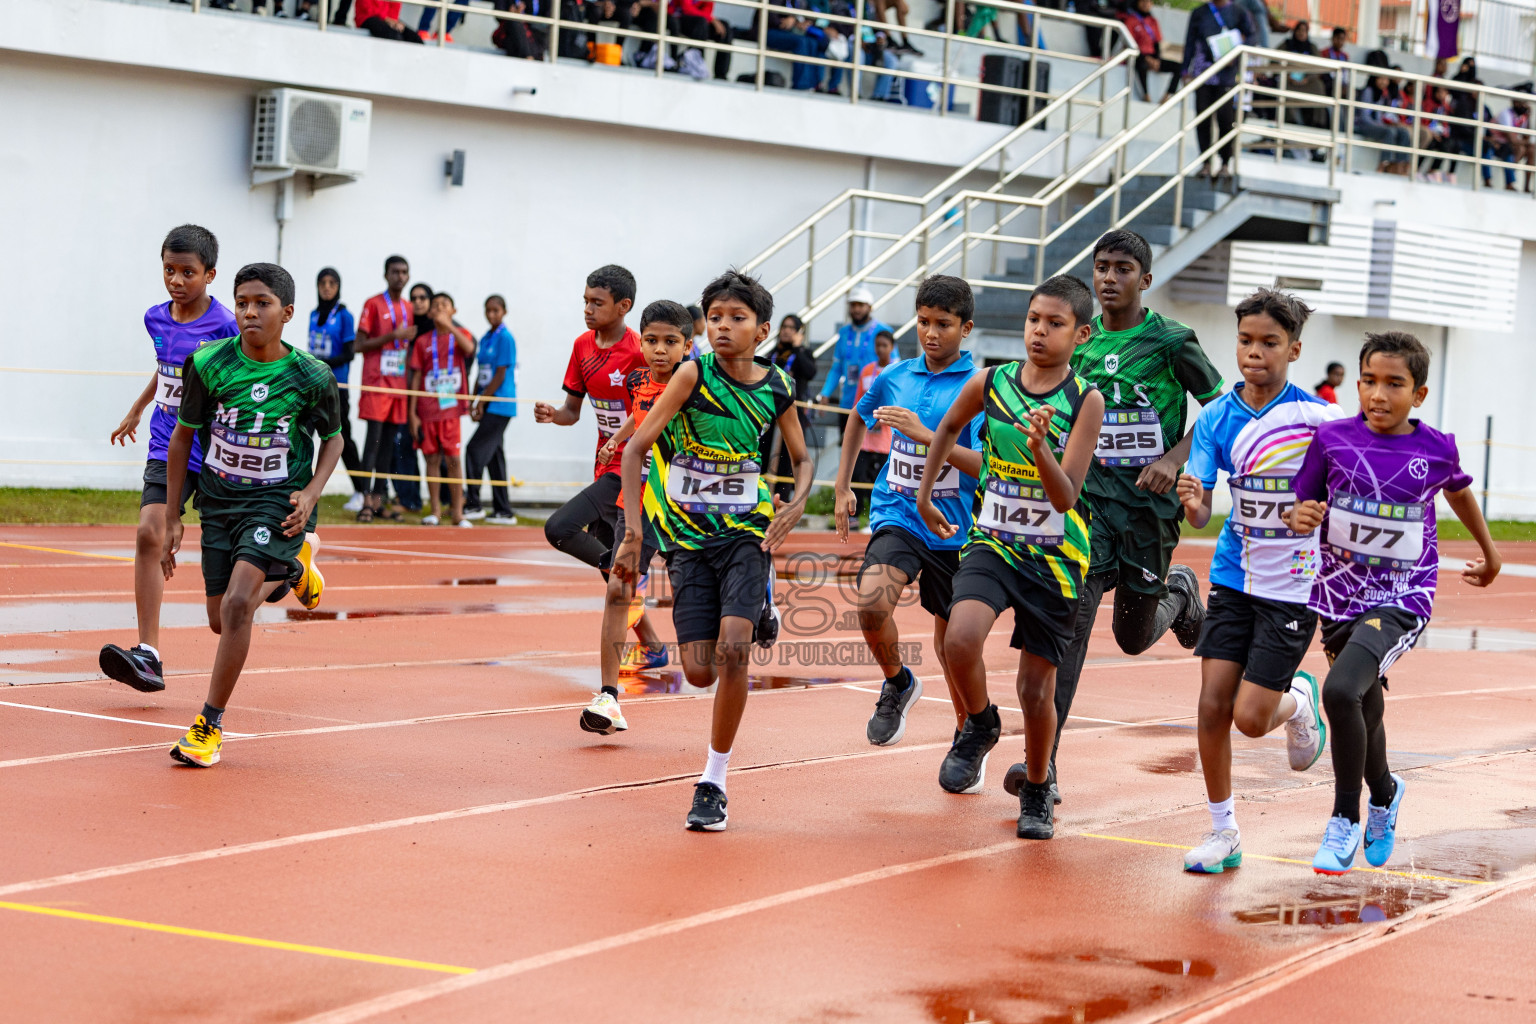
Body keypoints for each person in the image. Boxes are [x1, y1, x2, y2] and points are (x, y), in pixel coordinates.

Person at [1285, 332, 1501, 874]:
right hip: (1336, 594)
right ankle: (1385, 792)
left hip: (1402, 595)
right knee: (1364, 703)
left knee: (1338, 691)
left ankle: (1344, 819)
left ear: (1419, 393)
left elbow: (1457, 491)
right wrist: (1299, 517)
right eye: (1369, 381)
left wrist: (1489, 552)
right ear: (1356, 383)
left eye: (1394, 384)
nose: (1378, 394)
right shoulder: (1332, 438)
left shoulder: (1435, 447)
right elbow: (1301, 502)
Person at [612, 270, 813, 832]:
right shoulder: (690, 377)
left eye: (738, 318)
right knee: (699, 671)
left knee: (734, 650)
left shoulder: (777, 387)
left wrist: (797, 501)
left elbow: (802, 458)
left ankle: (713, 780)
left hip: (746, 534)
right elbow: (635, 452)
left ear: (763, 329)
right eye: (716, 318)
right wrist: (633, 533)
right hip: (688, 542)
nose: (724, 327)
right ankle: (762, 607)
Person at [916, 276, 1105, 840]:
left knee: (1035, 690)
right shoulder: (991, 382)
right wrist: (926, 495)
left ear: (1081, 333)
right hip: (994, 542)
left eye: (1055, 324)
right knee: (959, 639)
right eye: (1033, 320)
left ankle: (1039, 786)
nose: (1040, 332)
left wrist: (1042, 447)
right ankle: (979, 725)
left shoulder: (1084, 401)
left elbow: (1065, 495)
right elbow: (948, 428)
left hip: (1055, 558)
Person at [1050, 231, 1225, 803]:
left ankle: (1179, 593)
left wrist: (1176, 459)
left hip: (1150, 510)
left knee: (1129, 637)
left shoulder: (1173, 342)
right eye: (1101, 267)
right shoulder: (1078, 339)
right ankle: (1042, 768)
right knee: (1073, 622)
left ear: (1144, 280)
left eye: (1122, 269)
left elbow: (1224, 409)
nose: (1108, 278)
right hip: (1089, 502)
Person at [1173, 289, 1341, 874]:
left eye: (1269, 343)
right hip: (1232, 576)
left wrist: (1314, 511)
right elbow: (1198, 513)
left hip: (1293, 586)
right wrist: (1194, 499)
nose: (1254, 353)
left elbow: (1347, 501)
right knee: (1212, 705)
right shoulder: (1217, 416)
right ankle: (1224, 832)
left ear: (1293, 349)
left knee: (1249, 719)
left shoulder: (1321, 422)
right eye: (1245, 341)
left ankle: (1298, 701)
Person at [160, 264, 340, 767]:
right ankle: (296, 569)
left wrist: (310, 492)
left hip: (278, 500)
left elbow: (334, 439)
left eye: (261, 303)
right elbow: (183, 436)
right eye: (241, 302)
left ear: (286, 313)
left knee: (239, 604)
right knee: (221, 620)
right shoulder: (209, 363)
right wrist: (174, 514)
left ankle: (207, 726)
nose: (249, 312)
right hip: (219, 502)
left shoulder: (310, 375)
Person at [834, 275, 984, 748]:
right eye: (923, 322)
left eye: (943, 324)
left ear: (967, 328)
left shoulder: (983, 388)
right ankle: (898, 682)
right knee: (871, 603)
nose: (931, 333)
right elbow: (859, 417)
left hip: (954, 528)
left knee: (951, 648)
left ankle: (966, 735)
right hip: (897, 513)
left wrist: (927, 436)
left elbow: (987, 467)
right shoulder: (894, 376)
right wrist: (842, 486)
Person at [100, 225, 240, 694]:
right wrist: (139, 408)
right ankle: (149, 655)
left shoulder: (226, 325)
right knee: (148, 533)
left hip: (218, 447)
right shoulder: (155, 318)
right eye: (168, 270)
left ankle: (291, 565)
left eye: (187, 272)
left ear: (210, 274)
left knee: (228, 591)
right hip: (166, 441)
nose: (176, 280)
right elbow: (167, 369)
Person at [535, 265, 666, 666]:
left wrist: (621, 441)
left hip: (638, 472)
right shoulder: (581, 347)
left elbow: (653, 409)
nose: (588, 310)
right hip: (604, 465)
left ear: (624, 306)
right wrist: (552, 414)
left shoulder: (638, 350)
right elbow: (573, 412)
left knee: (561, 528)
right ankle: (655, 648)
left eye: (598, 303)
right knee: (612, 571)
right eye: (586, 301)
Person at [580, 300, 692, 735]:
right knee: (616, 592)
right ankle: (609, 696)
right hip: (641, 506)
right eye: (651, 340)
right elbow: (640, 414)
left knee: (699, 610)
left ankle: (757, 594)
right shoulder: (641, 379)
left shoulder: (698, 388)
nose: (659, 350)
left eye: (670, 342)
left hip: (688, 511)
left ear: (687, 345)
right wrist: (618, 440)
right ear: (640, 341)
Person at [354, 256, 415, 523]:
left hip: (398, 384)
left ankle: (379, 500)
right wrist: (392, 336)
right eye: (394, 272)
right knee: (374, 442)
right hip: (377, 381)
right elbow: (358, 345)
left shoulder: (409, 307)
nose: (399, 276)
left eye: (404, 272)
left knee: (389, 446)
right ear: (385, 274)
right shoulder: (373, 303)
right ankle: (364, 500)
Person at [408, 292, 476, 527]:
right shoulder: (423, 341)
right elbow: (416, 376)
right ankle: (435, 511)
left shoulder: (461, 336)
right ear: (429, 313)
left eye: (444, 305)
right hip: (427, 409)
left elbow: (469, 349)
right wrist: (412, 413)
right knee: (432, 459)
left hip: (451, 411)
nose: (439, 309)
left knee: (454, 459)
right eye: (435, 306)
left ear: (453, 311)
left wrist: (452, 327)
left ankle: (458, 512)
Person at [306, 267, 368, 513]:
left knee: (343, 439)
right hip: (313, 385)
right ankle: (301, 486)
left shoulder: (344, 316)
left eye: (332, 282)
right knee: (304, 432)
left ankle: (361, 490)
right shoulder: (312, 314)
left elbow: (349, 352)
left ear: (338, 286)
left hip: (336, 387)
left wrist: (321, 365)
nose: (327, 287)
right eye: (323, 282)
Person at [1181, 0, 1254, 178]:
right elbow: (1190, 41)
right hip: (1203, 73)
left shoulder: (1238, 12)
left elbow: (1252, 37)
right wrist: (1185, 69)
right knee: (1203, 117)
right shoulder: (1200, 12)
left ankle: (1225, 163)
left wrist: (1236, 55)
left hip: (1226, 75)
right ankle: (1206, 163)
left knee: (1225, 119)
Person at [465, 294, 519, 525]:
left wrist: (482, 401)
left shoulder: (505, 338)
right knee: (494, 456)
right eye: (488, 310)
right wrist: (472, 398)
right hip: (489, 403)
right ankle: (503, 510)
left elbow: (499, 375)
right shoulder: (486, 338)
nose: (491, 315)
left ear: (504, 311)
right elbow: (482, 373)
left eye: (496, 310)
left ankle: (473, 504)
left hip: (500, 404)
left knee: (474, 450)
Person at [816, 286, 892, 432]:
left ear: (870, 307)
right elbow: (837, 368)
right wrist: (825, 393)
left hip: (873, 404)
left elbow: (893, 368)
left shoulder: (883, 331)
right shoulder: (844, 332)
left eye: (861, 305)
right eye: (853, 305)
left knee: (868, 453)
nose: (856, 309)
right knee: (846, 450)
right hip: (848, 403)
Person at [767, 313, 818, 502]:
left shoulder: (804, 353)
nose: (786, 331)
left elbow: (810, 372)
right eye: (784, 327)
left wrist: (797, 347)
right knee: (766, 455)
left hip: (793, 414)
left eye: (791, 328)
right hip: (770, 413)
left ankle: (784, 500)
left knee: (788, 460)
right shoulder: (773, 353)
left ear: (799, 332)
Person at [1120, 0, 1176, 103]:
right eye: (1143, 1)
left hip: (1152, 56)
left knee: (1178, 67)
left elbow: (1156, 43)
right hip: (1137, 56)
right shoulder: (1131, 20)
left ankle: (1167, 96)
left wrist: (1156, 60)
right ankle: (1146, 95)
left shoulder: (1153, 21)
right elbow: (1130, 44)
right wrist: (1146, 59)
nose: (1146, 3)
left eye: (1149, 1)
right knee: (1142, 65)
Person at [1355, 73, 1411, 175]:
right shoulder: (1368, 91)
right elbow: (1364, 117)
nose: (1383, 82)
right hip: (1363, 125)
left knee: (1403, 132)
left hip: (1376, 124)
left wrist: (1382, 124)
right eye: (1381, 79)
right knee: (1389, 131)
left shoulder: (1381, 93)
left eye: (1386, 79)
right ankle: (1383, 164)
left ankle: (1400, 164)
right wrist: (1380, 126)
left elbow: (1379, 116)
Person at [353, 0, 425, 41]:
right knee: (395, 36)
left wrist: (393, 21)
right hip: (367, 17)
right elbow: (366, 7)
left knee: (415, 39)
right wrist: (386, 18)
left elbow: (395, 6)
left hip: (388, 19)